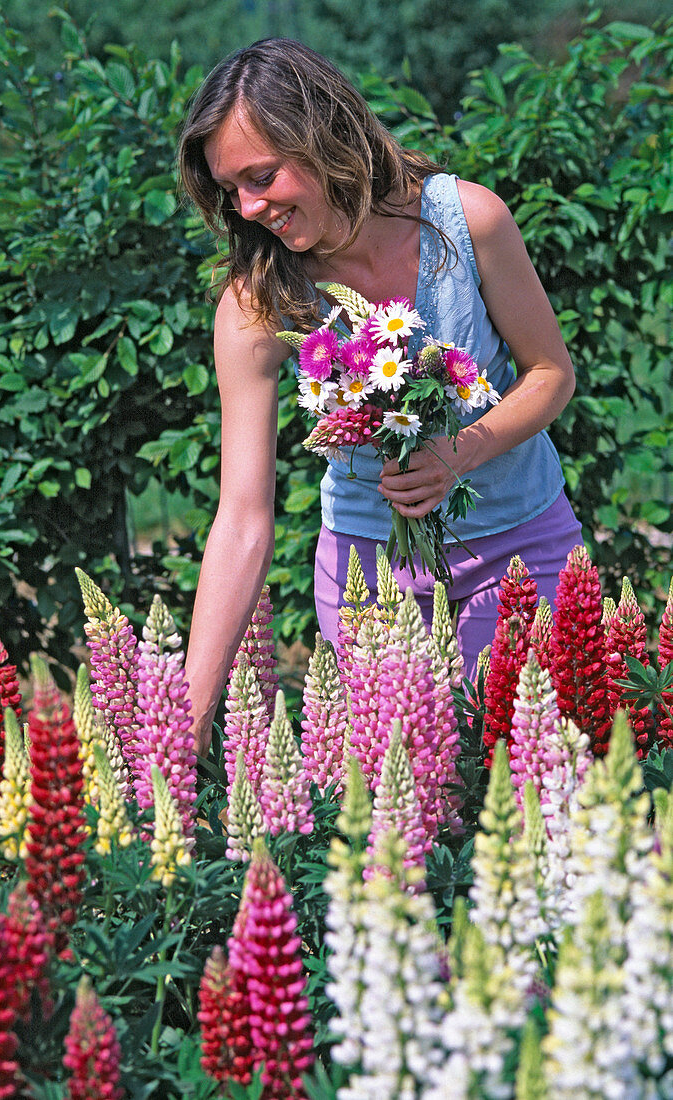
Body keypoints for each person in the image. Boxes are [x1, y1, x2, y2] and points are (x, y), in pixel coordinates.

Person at [177, 38, 581, 756]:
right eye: (229, 189)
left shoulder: (468, 222)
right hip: (371, 584)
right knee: (403, 812)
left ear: (321, 137)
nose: (247, 206)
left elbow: (551, 373)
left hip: (521, 552)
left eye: (261, 176)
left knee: (536, 782)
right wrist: (191, 712)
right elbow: (242, 516)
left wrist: (462, 450)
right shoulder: (255, 306)